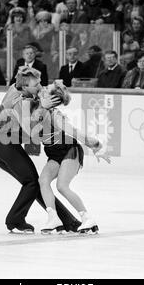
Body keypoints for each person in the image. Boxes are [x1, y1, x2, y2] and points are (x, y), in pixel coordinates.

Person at [0, 66, 82, 233]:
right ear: (25, 87)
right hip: (6, 148)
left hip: (4, 147)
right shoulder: (19, 101)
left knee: (37, 184)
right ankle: (15, 220)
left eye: (40, 83)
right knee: (32, 183)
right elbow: (29, 129)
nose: (40, 87)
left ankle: (67, 221)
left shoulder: (17, 87)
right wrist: (42, 106)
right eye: (36, 85)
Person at [37, 82, 110, 234]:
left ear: (52, 99)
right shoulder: (39, 109)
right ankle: (53, 218)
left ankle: (87, 218)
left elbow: (74, 132)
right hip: (54, 153)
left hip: (69, 150)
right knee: (43, 181)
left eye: (47, 89)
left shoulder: (55, 116)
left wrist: (94, 145)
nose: (43, 89)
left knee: (62, 186)